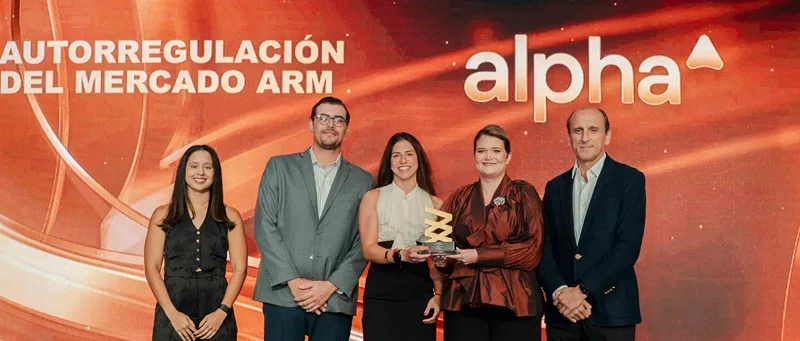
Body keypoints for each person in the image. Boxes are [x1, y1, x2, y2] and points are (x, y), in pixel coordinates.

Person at [252, 96, 373, 341]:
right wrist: (294, 282)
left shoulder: (363, 181)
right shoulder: (279, 168)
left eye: (338, 120)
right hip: (282, 294)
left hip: (333, 300)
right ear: (311, 124)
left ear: (347, 129)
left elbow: (365, 240)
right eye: (323, 118)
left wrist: (329, 286)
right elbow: (265, 225)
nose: (331, 124)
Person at [537, 107, 646, 341]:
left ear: (607, 136)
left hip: (611, 313)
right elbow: (544, 248)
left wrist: (582, 291)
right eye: (578, 130)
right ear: (569, 138)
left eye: (593, 130)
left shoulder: (630, 180)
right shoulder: (555, 187)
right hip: (563, 315)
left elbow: (627, 247)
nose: (585, 137)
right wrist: (560, 293)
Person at [433, 124, 545, 341]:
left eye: (496, 151)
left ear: (508, 156)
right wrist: (440, 257)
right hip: (464, 299)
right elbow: (439, 240)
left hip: (516, 301)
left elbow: (532, 250)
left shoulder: (523, 193)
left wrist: (478, 255)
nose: (488, 157)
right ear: (474, 155)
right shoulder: (459, 197)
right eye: (481, 151)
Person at [145, 145, 248, 341]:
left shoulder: (230, 216)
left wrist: (222, 312)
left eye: (207, 167)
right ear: (183, 171)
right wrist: (172, 314)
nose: (200, 172)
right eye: (194, 166)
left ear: (215, 172)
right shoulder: (163, 215)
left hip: (216, 314)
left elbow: (240, 268)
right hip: (173, 311)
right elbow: (152, 267)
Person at [358, 132, 444, 341]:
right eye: (396, 155)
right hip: (381, 292)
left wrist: (439, 296)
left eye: (409, 154)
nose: (403, 161)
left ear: (419, 160)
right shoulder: (373, 198)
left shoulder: (437, 205)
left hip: (419, 293)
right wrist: (401, 254)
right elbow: (368, 249)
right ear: (389, 162)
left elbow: (441, 260)